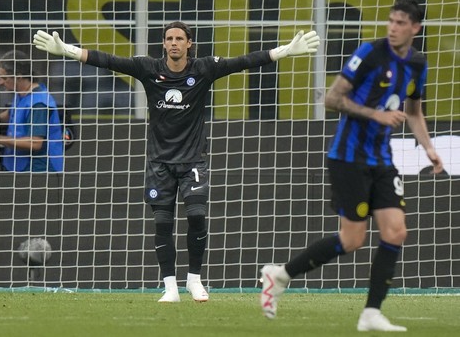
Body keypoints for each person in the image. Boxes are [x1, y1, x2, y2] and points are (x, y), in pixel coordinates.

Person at [33, 22, 320, 302]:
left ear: (189, 43)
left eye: (179, 39)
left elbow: (243, 61)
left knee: (196, 216)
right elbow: (107, 60)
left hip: (193, 160)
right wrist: (67, 49)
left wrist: (284, 51)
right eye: (169, 38)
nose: (173, 43)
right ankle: (169, 286)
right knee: (162, 223)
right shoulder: (149, 68)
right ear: (164, 43)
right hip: (160, 163)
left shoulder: (204, 69)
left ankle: (194, 279)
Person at [259, 0, 444, 332]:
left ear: (415, 28)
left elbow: (414, 112)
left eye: (401, 23)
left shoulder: (417, 63)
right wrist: (377, 114)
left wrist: (428, 147)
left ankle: (371, 312)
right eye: (391, 20)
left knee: (396, 231)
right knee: (352, 240)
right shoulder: (370, 53)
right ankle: (280, 275)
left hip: (382, 159)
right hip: (348, 157)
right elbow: (332, 98)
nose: (393, 27)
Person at [0, 50, 64, 172]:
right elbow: (13, 113)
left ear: (18, 77)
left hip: (37, 170)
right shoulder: (22, 93)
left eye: (4, 78)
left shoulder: (39, 104)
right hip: (17, 165)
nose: (0, 83)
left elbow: (35, 143)